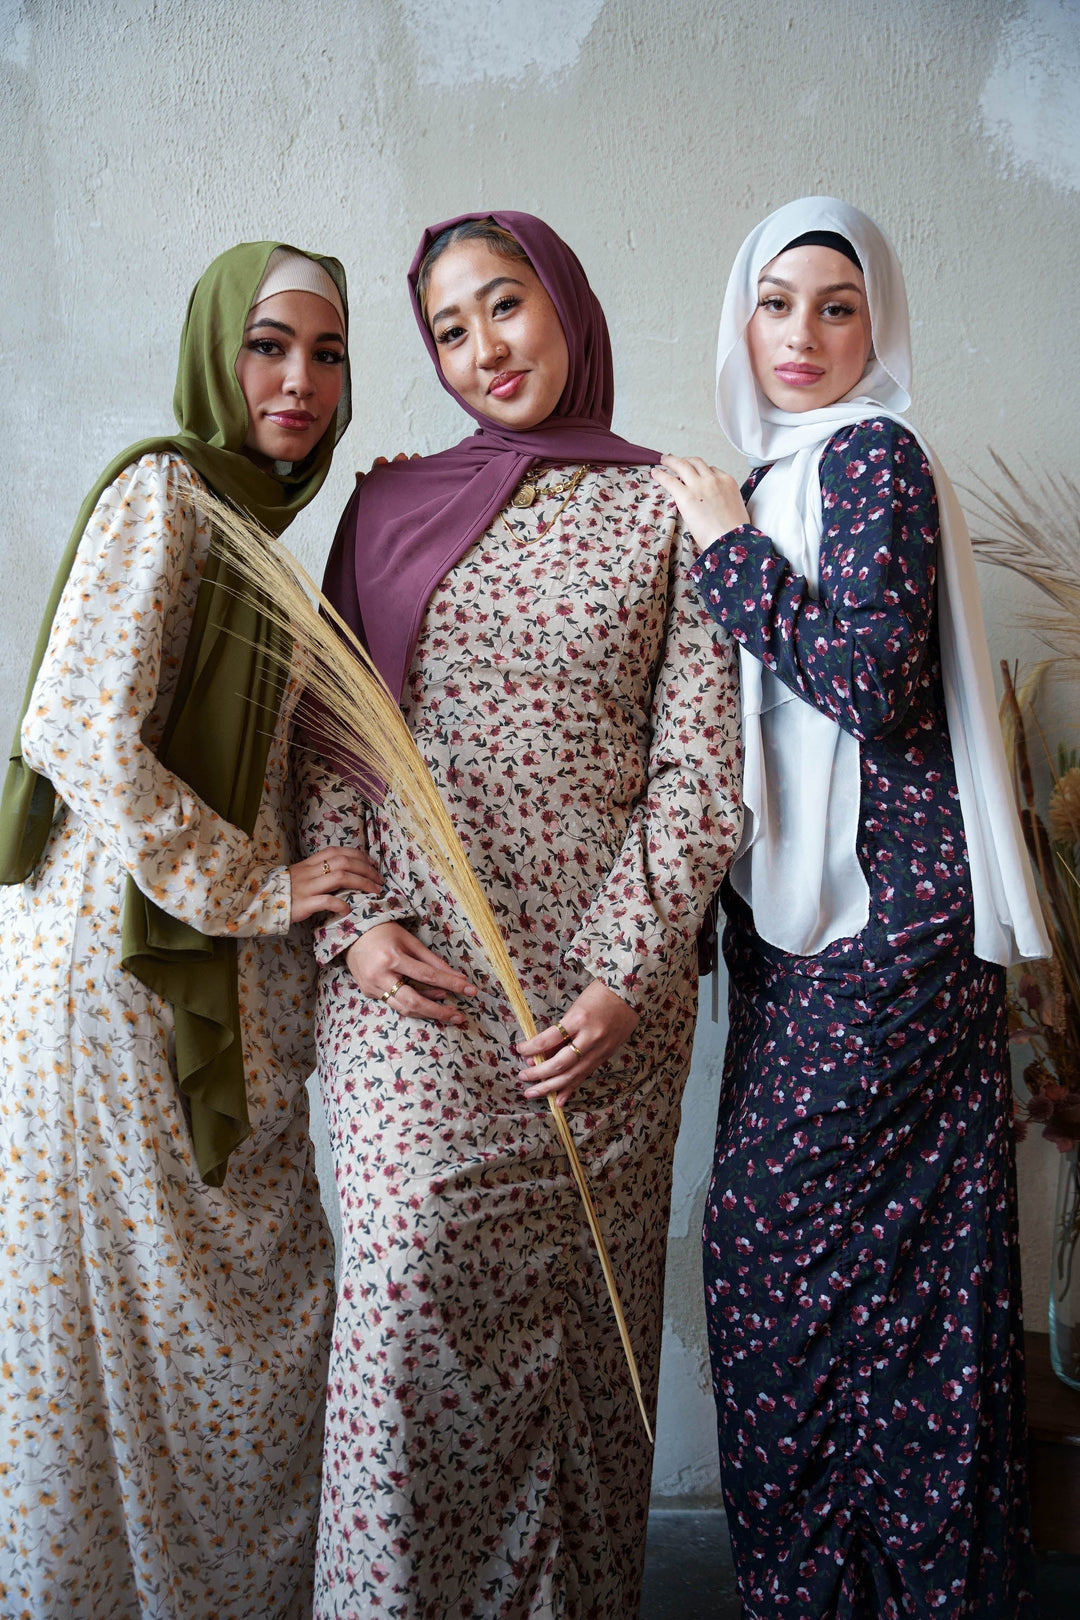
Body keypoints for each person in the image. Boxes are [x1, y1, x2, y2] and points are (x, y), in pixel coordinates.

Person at [301, 210, 742, 1618]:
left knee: (586, 1352)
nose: (487, 348)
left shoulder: (669, 505)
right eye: (450, 328)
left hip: (603, 1014)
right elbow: (331, 744)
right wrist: (353, 930)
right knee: (408, 1298)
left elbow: (701, 769)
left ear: (567, 301)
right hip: (415, 990)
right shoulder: (385, 506)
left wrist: (619, 975)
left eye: (508, 306)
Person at [652, 197, 1049, 1619]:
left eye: (839, 306)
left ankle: (835, 1584)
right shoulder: (787, 472)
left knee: (775, 1248)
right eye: (777, 305)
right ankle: (889, 1587)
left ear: (878, 323)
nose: (805, 337)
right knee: (896, 1279)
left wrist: (724, 548)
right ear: (740, 320)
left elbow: (871, 685)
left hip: (885, 930)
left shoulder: (867, 456)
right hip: (821, 934)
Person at [0, 243, 376, 1619]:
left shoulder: (251, 529)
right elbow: (77, 733)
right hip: (122, 970)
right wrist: (260, 893)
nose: (297, 380)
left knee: (228, 1321)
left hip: (187, 965)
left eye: (327, 354)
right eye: (269, 344)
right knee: (140, 1332)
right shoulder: (169, 494)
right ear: (216, 348)